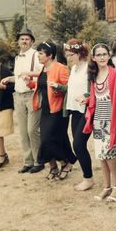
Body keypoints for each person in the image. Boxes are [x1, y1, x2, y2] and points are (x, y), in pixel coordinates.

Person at [83, 43, 116, 202]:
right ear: (93, 58)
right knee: (101, 155)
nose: (102, 57)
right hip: (98, 120)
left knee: (110, 154)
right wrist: (87, 100)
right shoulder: (93, 75)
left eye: (104, 54)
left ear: (109, 56)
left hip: (112, 119)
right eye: (99, 55)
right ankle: (107, 186)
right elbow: (96, 97)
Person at [23, 42, 76, 181]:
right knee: (54, 139)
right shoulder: (43, 69)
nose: (38, 56)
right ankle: (54, 166)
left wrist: (57, 87)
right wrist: (29, 82)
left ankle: (65, 163)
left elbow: (68, 88)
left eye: (40, 53)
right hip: (46, 109)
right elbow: (41, 86)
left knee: (49, 139)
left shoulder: (61, 68)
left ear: (50, 55)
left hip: (58, 110)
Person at [1, 27, 42, 174]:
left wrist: (30, 75)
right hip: (18, 96)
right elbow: (18, 77)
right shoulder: (17, 58)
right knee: (23, 132)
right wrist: (8, 79)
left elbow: (42, 73)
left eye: (27, 39)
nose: (24, 41)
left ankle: (39, 161)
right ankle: (28, 162)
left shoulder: (36, 55)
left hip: (32, 95)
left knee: (32, 130)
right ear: (18, 42)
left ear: (31, 42)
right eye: (22, 39)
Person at [64, 39, 94, 191]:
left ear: (80, 53)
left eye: (71, 55)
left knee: (78, 144)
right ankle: (87, 176)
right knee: (78, 144)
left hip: (86, 110)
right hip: (75, 110)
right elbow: (72, 88)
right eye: (67, 55)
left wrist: (86, 95)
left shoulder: (89, 68)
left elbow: (95, 88)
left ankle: (88, 179)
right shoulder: (74, 69)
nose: (68, 58)